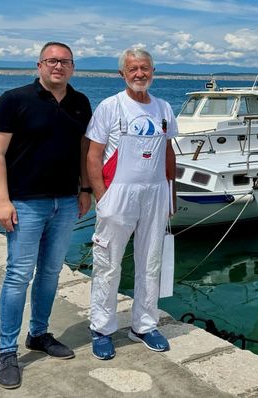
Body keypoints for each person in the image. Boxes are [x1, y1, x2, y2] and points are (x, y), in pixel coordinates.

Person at [0, 41, 92, 389]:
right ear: (39, 65)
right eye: (52, 61)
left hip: (64, 202)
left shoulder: (79, 103)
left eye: (65, 62)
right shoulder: (14, 100)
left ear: (72, 67)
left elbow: (83, 150)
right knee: (18, 275)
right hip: (26, 203)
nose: (58, 67)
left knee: (50, 272)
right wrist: (3, 201)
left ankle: (39, 334)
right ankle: (6, 352)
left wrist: (85, 188)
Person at [85, 48, 177, 360]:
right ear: (123, 74)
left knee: (150, 262)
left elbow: (168, 151)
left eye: (145, 68)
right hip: (118, 194)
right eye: (133, 69)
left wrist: (171, 193)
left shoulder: (163, 108)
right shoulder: (111, 107)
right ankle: (101, 328)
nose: (140, 74)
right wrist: (103, 197)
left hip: (155, 193)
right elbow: (94, 155)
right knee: (108, 264)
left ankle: (144, 325)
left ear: (153, 72)